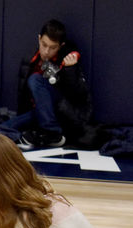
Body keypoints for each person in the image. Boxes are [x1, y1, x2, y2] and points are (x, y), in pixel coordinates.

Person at [7, 19, 92, 148]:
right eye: (44, 44)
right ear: (39, 39)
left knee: (35, 79)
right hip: (38, 113)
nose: (46, 51)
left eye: (52, 47)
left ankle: (52, 131)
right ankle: (44, 132)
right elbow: (23, 95)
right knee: (6, 127)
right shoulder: (30, 59)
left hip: (60, 113)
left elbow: (78, 96)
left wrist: (70, 70)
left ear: (60, 46)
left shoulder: (67, 59)